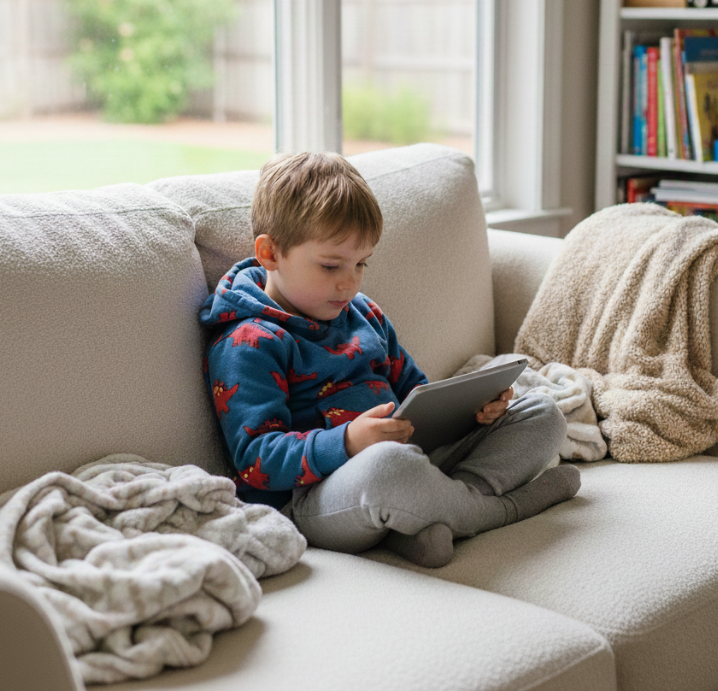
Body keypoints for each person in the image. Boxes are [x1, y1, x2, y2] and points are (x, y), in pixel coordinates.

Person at [200, 151, 580, 568]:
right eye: (330, 266)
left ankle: (430, 519)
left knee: (543, 411)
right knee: (389, 469)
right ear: (270, 254)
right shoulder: (248, 341)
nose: (349, 282)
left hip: (411, 460)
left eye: (361, 263)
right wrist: (348, 442)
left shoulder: (364, 314)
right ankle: (501, 509)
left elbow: (417, 394)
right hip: (318, 498)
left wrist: (474, 411)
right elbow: (257, 460)